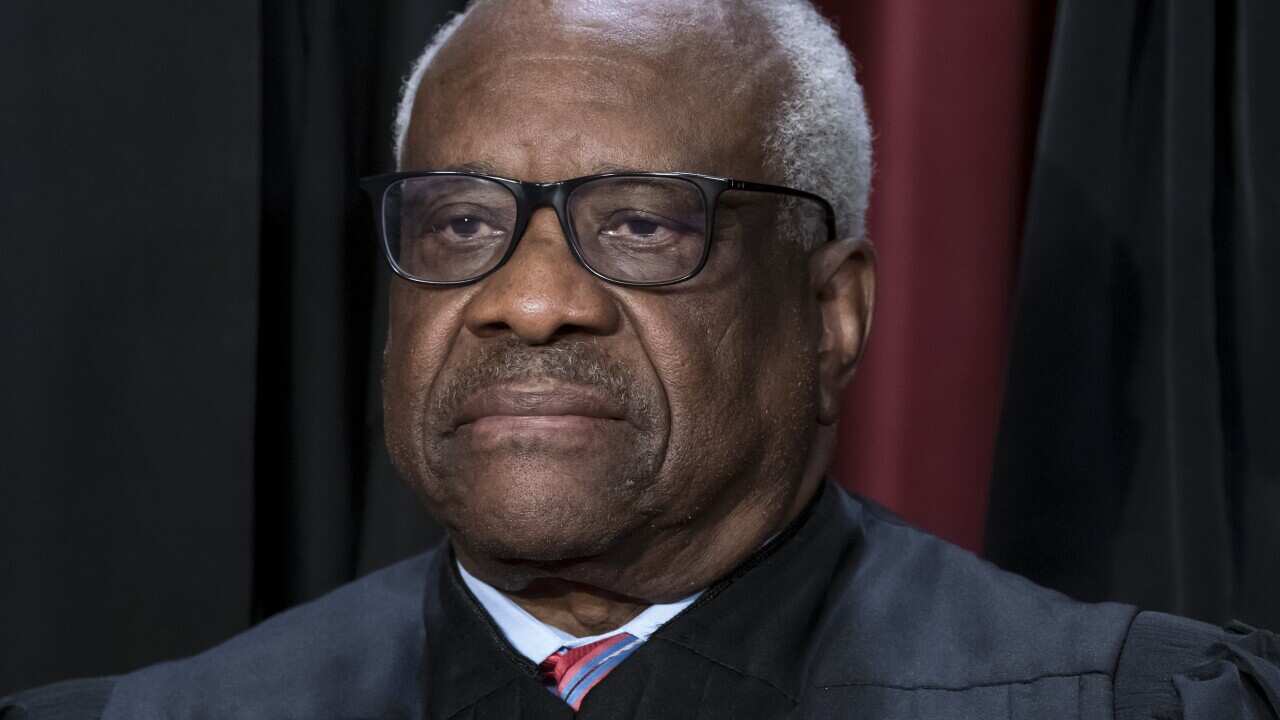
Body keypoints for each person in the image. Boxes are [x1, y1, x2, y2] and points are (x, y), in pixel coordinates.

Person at [5, 0, 1278, 718]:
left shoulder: (1118, 707)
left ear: (830, 315)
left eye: (640, 224)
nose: (531, 300)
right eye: (458, 221)